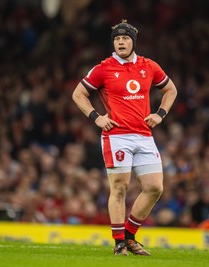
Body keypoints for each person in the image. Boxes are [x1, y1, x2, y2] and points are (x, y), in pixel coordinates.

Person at [72, 20, 177, 256]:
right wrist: (96, 117)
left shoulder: (149, 66)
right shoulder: (103, 68)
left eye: (125, 38)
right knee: (119, 187)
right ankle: (119, 242)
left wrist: (160, 114)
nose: (120, 42)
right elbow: (78, 94)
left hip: (144, 135)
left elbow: (171, 90)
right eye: (117, 39)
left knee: (155, 187)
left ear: (133, 42)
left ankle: (129, 236)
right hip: (116, 135)